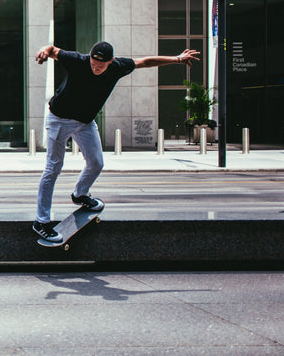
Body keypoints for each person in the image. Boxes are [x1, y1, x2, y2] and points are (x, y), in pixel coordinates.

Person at [32, 41, 201, 243]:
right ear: (90, 57)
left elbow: (145, 62)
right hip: (59, 119)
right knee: (53, 167)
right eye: (94, 63)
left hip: (85, 123)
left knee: (96, 163)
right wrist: (44, 51)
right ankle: (41, 222)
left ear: (110, 61)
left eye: (101, 66)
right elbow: (52, 50)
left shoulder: (118, 67)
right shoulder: (78, 61)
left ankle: (80, 194)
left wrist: (178, 59)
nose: (96, 68)